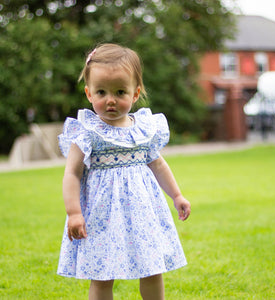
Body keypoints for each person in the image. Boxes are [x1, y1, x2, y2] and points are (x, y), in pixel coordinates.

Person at [57, 43, 191, 300]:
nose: (110, 99)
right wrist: (74, 212)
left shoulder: (143, 128)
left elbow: (158, 164)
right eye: (101, 92)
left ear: (135, 93)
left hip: (142, 213)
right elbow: (72, 174)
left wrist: (177, 196)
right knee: (102, 274)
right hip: (101, 214)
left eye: (120, 91)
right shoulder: (86, 132)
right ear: (88, 93)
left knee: (152, 269)